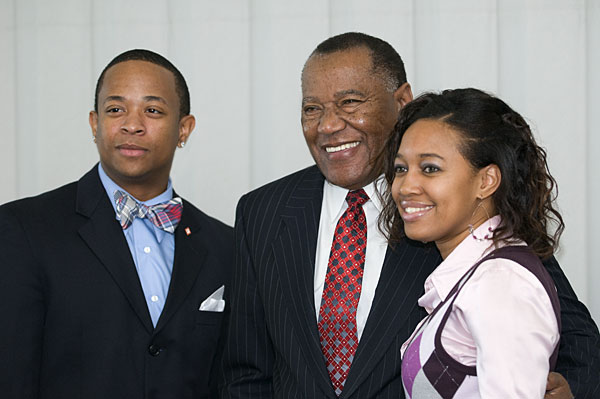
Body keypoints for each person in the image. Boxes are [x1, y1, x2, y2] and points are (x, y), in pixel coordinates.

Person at [221, 32, 600, 398]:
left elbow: (574, 339)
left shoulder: (458, 213)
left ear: (401, 100)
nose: (329, 125)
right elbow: (246, 369)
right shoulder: (262, 211)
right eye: (311, 108)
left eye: (350, 102)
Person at [0, 49, 232, 398]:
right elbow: (12, 377)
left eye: (152, 111)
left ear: (184, 129)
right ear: (95, 125)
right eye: (115, 110)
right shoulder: (23, 229)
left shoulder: (224, 245)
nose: (132, 124)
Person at [381, 88, 563, 397]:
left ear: (487, 181)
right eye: (401, 168)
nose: (406, 186)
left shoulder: (500, 283)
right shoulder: (476, 273)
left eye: (430, 168)